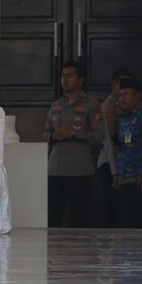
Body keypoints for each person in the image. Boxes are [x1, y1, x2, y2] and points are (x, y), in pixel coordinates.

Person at [43, 60, 105, 228]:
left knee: (78, 217)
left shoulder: (91, 105)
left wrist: (75, 133)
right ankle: (53, 252)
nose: (65, 80)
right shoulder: (56, 105)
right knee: (53, 216)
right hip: (56, 168)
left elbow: (100, 136)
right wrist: (54, 136)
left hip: (79, 170)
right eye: (63, 76)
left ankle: (78, 252)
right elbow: (45, 134)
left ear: (80, 79)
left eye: (70, 76)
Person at [115, 77, 142, 228]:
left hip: (139, 178)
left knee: (137, 222)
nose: (122, 99)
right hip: (125, 178)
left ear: (137, 96)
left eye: (126, 95)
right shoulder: (125, 118)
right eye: (120, 95)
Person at [95, 66, 133, 227]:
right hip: (110, 164)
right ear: (114, 85)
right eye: (121, 84)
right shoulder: (108, 108)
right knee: (112, 206)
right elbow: (108, 142)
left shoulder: (124, 107)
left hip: (124, 163)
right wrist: (115, 172)